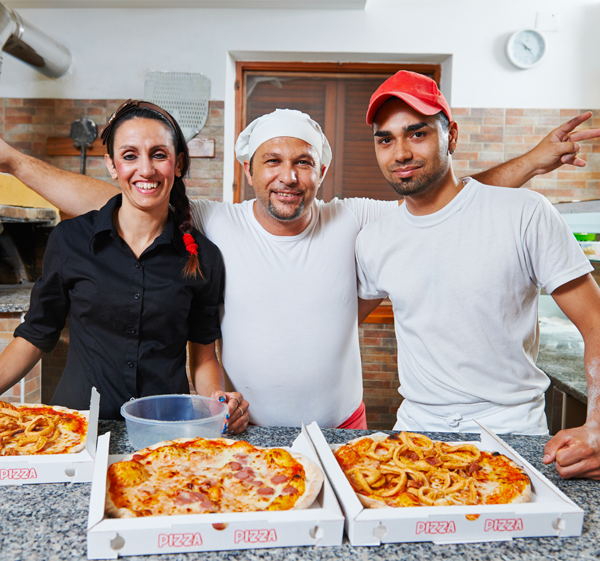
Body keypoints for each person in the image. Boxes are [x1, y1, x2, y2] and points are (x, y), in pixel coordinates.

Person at [0, 101, 595, 429]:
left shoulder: (354, 218)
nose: (288, 176)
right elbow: (120, 197)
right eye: (272, 161)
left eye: (304, 162)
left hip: (344, 428)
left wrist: (531, 162)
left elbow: (447, 201)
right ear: (248, 171)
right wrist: (17, 163)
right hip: (245, 428)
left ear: (322, 171)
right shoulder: (214, 222)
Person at [355, 70, 600, 479]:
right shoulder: (375, 238)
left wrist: (597, 425)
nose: (400, 153)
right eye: (386, 140)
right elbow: (336, 324)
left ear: (451, 135)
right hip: (416, 433)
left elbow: (596, 321)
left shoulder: (525, 213)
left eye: (417, 134)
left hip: (511, 430)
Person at [0, 100, 249, 433]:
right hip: (77, 428)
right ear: (112, 165)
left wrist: (217, 398)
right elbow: (35, 335)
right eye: (130, 156)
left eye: (158, 154)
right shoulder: (71, 239)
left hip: (162, 429)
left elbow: (203, 356)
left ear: (178, 164)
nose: (145, 170)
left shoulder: (203, 257)